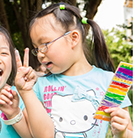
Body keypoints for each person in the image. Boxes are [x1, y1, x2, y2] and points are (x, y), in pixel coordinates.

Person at [23, 2, 133, 138]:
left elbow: (129, 133)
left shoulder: (110, 82)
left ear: (73, 38)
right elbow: (33, 134)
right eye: (36, 48)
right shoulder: (39, 86)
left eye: (44, 44)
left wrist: (122, 133)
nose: (39, 54)